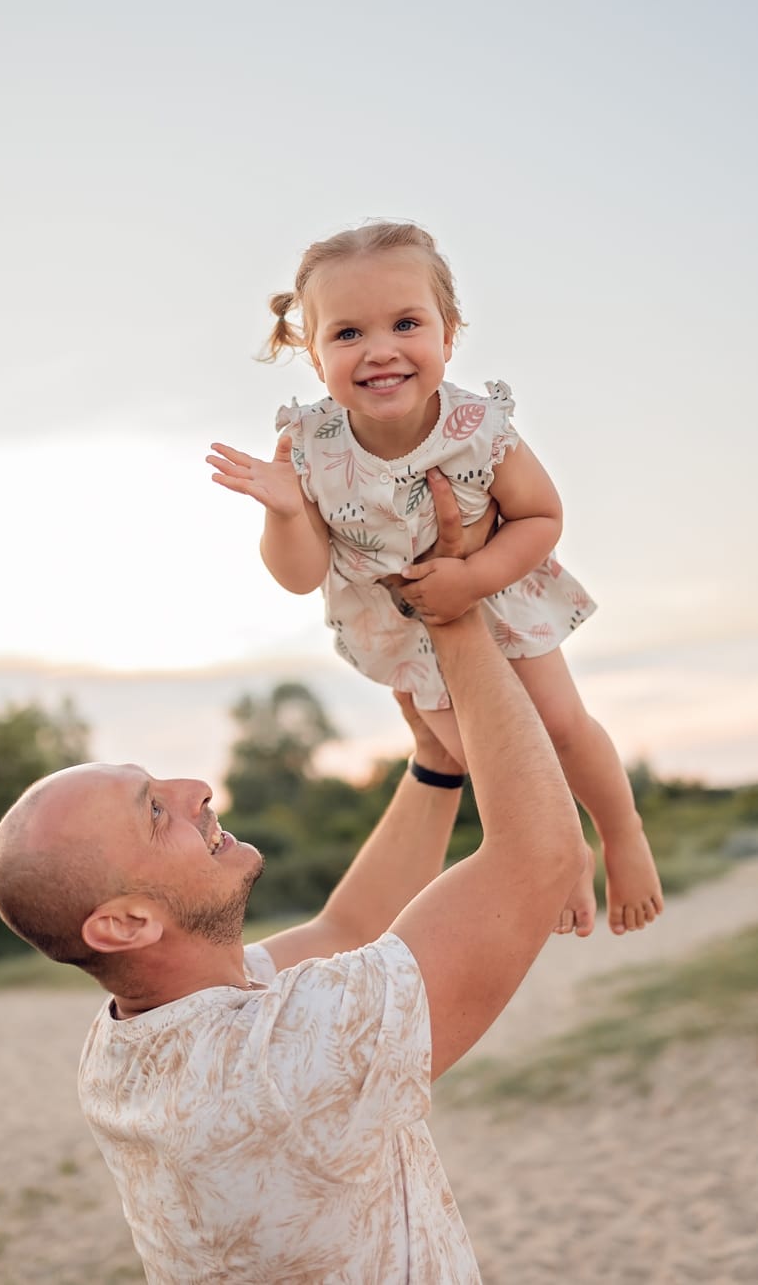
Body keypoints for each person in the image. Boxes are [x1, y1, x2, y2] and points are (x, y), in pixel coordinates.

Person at [0, 484, 588, 1284]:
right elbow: (536, 859)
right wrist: (456, 608)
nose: (196, 788)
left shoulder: (134, 1042)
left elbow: (347, 932)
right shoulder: (273, 1069)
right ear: (124, 924)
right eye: (154, 810)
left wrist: (437, 765)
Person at [207, 219, 663, 937]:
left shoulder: (478, 427)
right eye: (348, 334)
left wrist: (474, 577)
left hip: (499, 596)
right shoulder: (308, 446)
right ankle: (561, 848)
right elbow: (300, 577)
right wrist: (288, 511)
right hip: (395, 625)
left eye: (406, 323)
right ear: (314, 354)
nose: (379, 350)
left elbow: (541, 516)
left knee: (563, 728)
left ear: (448, 336)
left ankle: (622, 831)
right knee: (480, 756)